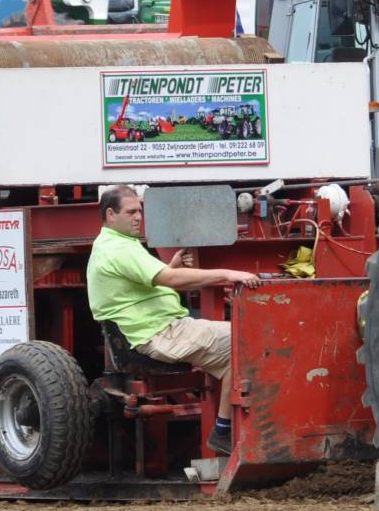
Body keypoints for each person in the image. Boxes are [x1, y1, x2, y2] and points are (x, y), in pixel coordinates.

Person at [87, 184, 261, 454]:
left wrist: (171, 267)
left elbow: (152, 283)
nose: (138, 217)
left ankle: (224, 432)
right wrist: (229, 274)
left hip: (164, 329)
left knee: (236, 354)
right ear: (110, 214)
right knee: (250, 339)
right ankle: (241, 433)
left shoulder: (116, 245)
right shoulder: (117, 249)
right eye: (131, 212)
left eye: (140, 211)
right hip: (160, 334)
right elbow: (168, 281)